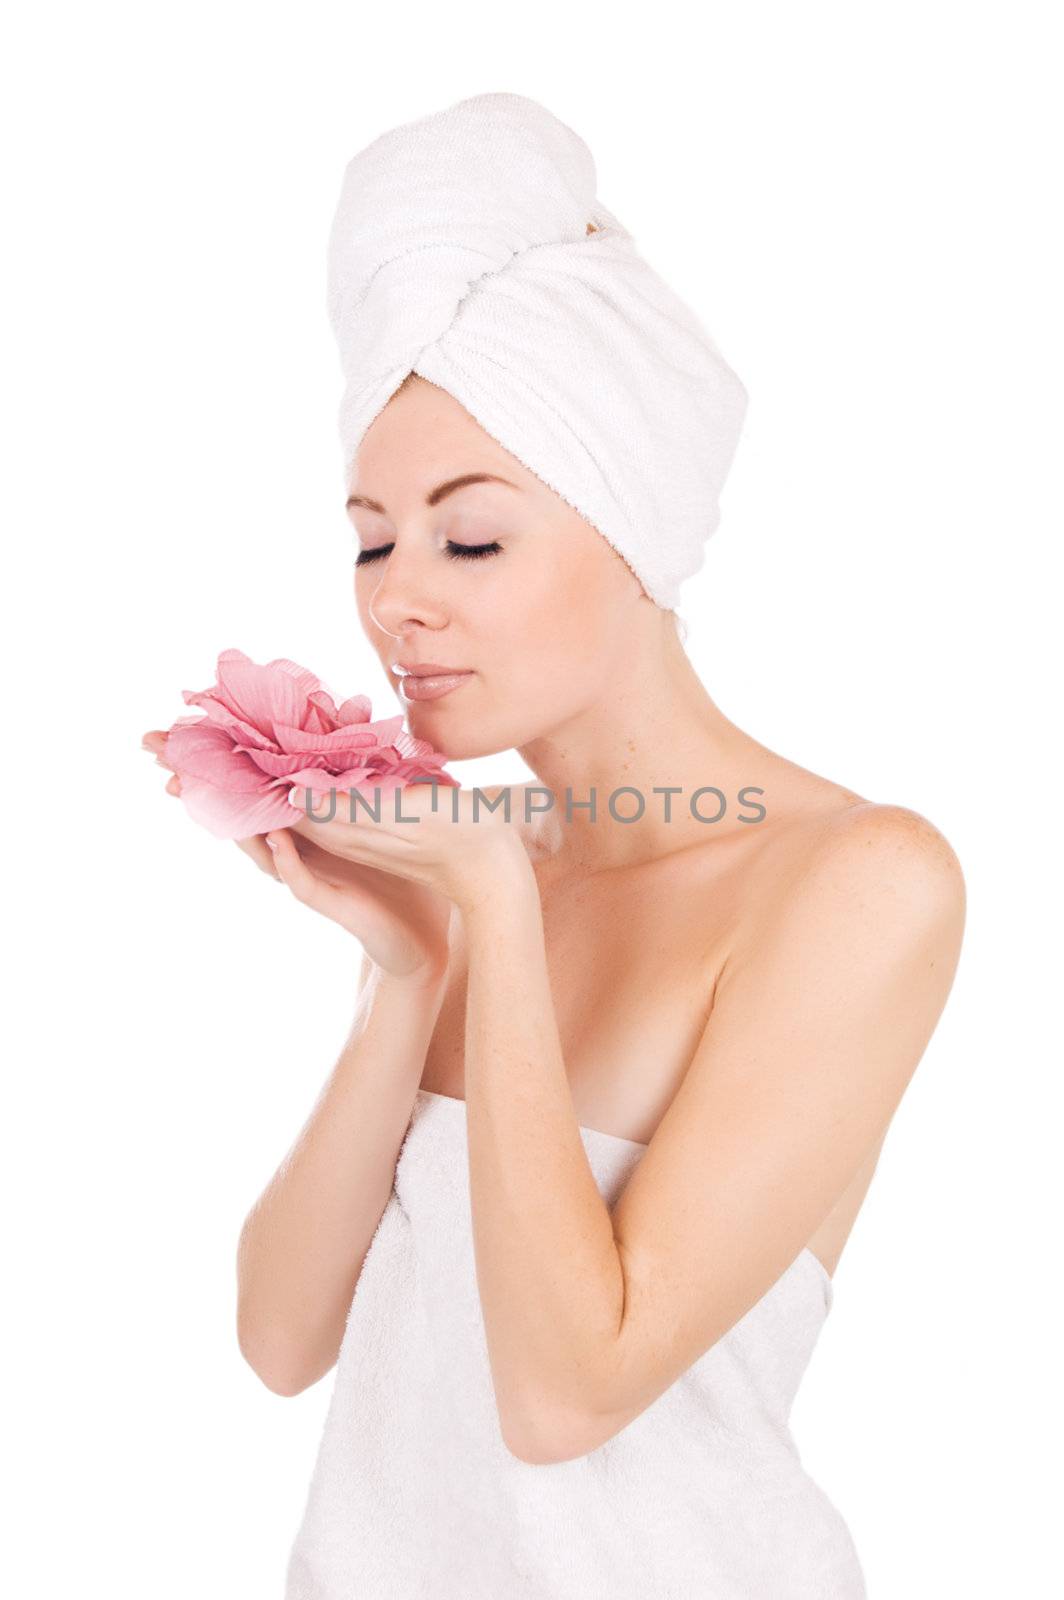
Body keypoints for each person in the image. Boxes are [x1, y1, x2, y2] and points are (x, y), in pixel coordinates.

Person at [142, 95, 965, 1599]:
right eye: (371, 537)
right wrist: (409, 968)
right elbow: (280, 1341)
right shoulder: (478, 858)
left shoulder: (858, 883)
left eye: (471, 538)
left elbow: (567, 1391)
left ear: (631, 533)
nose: (398, 602)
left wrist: (494, 919)